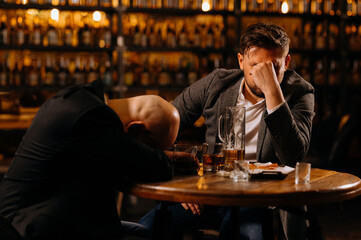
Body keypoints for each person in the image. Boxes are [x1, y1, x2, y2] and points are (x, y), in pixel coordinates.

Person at [140, 22, 315, 240]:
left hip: (259, 201)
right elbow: (160, 125)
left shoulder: (300, 92)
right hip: (210, 194)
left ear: (287, 62)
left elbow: (293, 155)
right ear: (241, 61)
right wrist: (178, 182)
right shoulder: (217, 84)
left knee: (244, 235)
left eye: (273, 68)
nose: (263, 77)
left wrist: (273, 90)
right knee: (148, 229)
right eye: (256, 68)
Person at [0, 79, 180, 240]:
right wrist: (167, 158)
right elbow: (158, 167)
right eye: (152, 147)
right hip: (25, 230)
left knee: (143, 231)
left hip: (44, 220)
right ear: (136, 129)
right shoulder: (93, 119)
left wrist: (169, 156)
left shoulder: (82, 99)